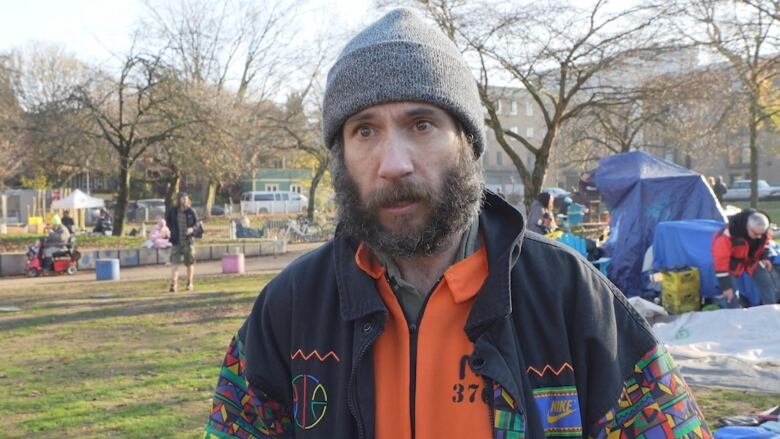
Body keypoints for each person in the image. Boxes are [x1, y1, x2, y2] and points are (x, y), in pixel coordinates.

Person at [204, 9, 710, 439]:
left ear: (468, 144)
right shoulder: (289, 308)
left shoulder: (570, 296)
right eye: (365, 131)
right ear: (340, 158)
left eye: (421, 125)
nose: (394, 162)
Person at [712, 209, 777, 307]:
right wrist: (726, 287)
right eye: (755, 234)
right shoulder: (725, 237)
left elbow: (766, 243)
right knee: (731, 295)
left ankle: (771, 310)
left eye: (761, 234)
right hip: (732, 263)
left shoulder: (763, 230)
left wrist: (764, 257)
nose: (759, 237)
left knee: (766, 282)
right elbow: (720, 264)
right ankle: (733, 316)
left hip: (752, 260)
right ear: (748, 227)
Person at [166, 192, 199, 292]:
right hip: (176, 241)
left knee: (189, 263)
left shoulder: (191, 211)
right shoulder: (173, 211)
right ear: (178, 200)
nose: (184, 201)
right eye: (182, 199)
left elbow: (197, 224)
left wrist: (192, 229)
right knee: (174, 263)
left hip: (188, 242)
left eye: (186, 199)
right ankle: (174, 284)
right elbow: (168, 223)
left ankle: (189, 283)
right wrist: (169, 232)